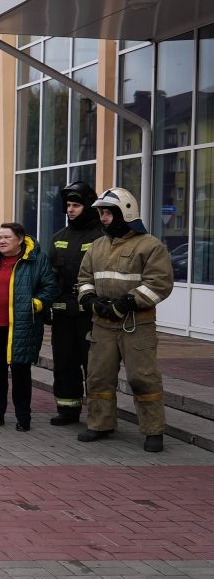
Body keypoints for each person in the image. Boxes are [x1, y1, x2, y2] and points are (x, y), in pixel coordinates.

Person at [77, 188, 175, 452]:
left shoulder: (150, 245)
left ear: (125, 213)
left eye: (108, 213)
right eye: (101, 213)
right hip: (102, 324)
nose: (104, 218)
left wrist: (125, 303)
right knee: (98, 377)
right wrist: (90, 301)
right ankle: (100, 424)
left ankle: (154, 431)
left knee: (143, 378)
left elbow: (160, 284)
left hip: (136, 324)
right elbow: (84, 279)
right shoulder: (98, 246)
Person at [0, 222, 57, 432]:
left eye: (7, 237)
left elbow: (50, 287)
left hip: (21, 327)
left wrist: (36, 304)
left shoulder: (35, 260)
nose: (1, 241)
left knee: (20, 374)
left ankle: (23, 417)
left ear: (19, 239)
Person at [47, 182, 104, 426]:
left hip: (90, 316)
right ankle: (67, 411)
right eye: (68, 205)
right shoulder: (59, 238)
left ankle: (99, 416)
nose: (70, 210)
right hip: (62, 316)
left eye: (76, 205)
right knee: (64, 364)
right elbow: (49, 275)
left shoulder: (102, 237)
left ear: (89, 207)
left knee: (94, 367)